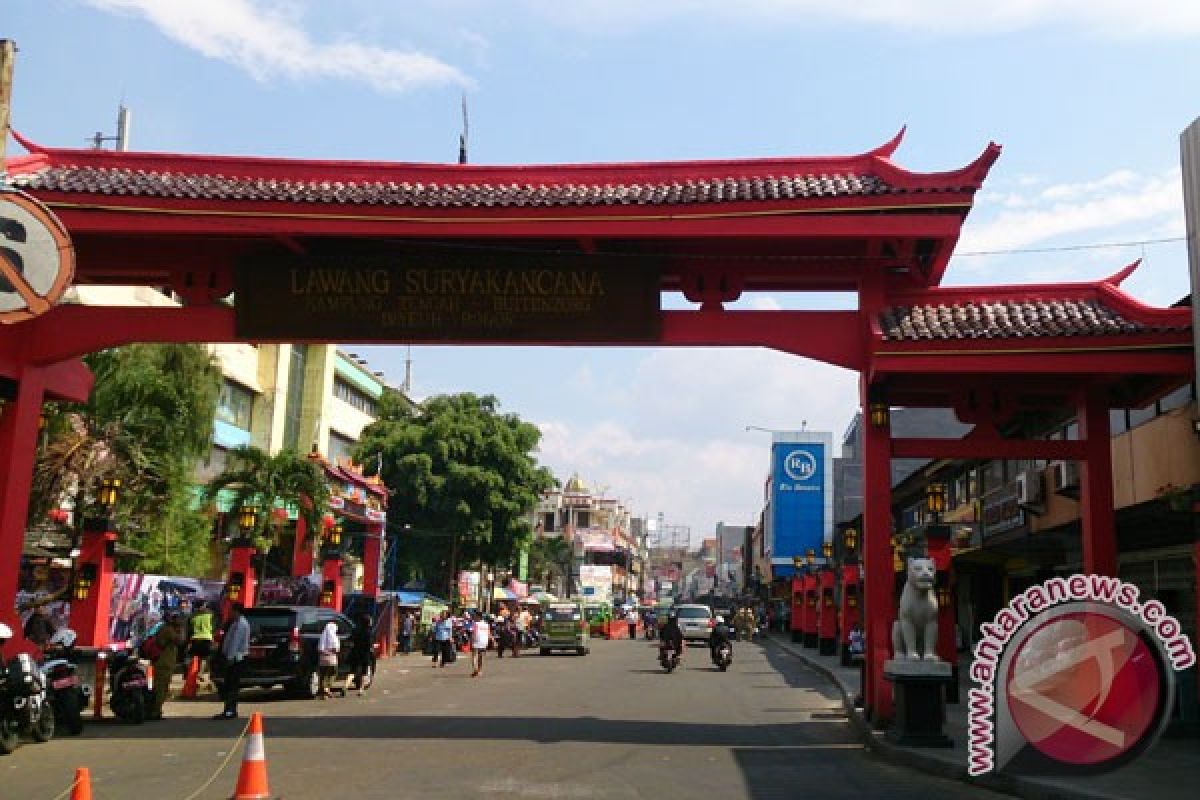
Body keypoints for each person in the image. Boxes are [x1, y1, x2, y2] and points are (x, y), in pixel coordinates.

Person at [214, 602, 249, 719]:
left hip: (235, 659)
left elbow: (235, 642)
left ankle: (230, 711)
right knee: (229, 685)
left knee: (232, 686)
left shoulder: (241, 624)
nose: (230, 613)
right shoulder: (235, 623)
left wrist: (229, 657)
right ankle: (229, 709)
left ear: (236, 611)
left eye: (231, 611)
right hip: (232, 658)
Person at [148, 612, 183, 720]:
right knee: (160, 688)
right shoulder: (167, 630)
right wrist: (180, 630)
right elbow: (179, 641)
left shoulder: (166, 629)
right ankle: (154, 711)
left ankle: (156, 710)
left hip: (165, 663)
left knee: (162, 688)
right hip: (163, 663)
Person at [187, 602, 216, 690]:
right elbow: (214, 627)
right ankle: (202, 674)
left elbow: (190, 629)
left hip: (195, 639)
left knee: (195, 659)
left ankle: (193, 677)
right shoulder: (210, 615)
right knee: (205, 658)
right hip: (207, 639)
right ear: (203, 605)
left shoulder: (192, 616)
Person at [343, 612, 373, 696]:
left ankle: (345, 686)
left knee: (352, 671)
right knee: (364, 672)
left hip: (355, 652)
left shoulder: (355, 630)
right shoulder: (368, 632)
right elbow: (369, 644)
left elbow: (350, 639)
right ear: (367, 622)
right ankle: (361, 690)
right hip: (365, 654)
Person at [317, 620, 340, 699]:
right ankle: (327, 689)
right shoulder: (334, 637)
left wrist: (325, 652)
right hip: (331, 659)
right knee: (332, 674)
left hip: (322, 659)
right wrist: (330, 652)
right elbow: (337, 649)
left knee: (322, 675)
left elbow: (320, 648)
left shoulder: (322, 636)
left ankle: (322, 693)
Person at [469, 612, 490, 678]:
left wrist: (471, 641)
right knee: (481, 656)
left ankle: (475, 670)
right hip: (484, 641)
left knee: (474, 655)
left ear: (478, 617)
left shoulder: (475, 624)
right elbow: (488, 633)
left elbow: (474, 633)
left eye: (475, 616)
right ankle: (480, 671)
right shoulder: (486, 624)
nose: (474, 617)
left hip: (477, 640)